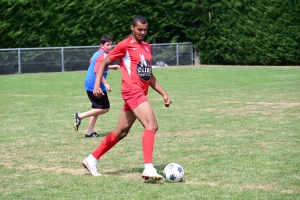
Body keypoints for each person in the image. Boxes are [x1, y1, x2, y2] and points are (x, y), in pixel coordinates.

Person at [81, 15, 172, 180]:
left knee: (120, 132)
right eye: (139, 29)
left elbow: (148, 74)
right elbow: (103, 63)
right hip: (132, 91)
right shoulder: (125, 45)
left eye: (145, 30)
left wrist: (163, 93)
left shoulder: (147, 47)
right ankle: (149, 168)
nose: (142, 32)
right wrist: (96, 85)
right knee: (151, 125)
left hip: (140, 92)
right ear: (132, 28)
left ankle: (91, 159)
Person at [73, 35, 119, 137]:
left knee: (96, 108)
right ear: (101, 45)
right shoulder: (103, 55)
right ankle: (79, 116)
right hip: (96, 86)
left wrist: (110, 67)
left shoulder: (98, 53)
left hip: (90, 84)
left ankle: (89, 132)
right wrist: (106, 84)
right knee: (105, 108)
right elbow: (97, 70)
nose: (110, 47)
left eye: (111, 44)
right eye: (107, 45)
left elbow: (94, 64)